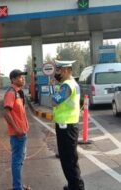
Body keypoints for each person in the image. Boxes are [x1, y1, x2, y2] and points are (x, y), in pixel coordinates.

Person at [52, 60, 85, 190]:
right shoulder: (73, 83)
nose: (57, 73)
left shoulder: (66, 85)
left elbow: (55, 101)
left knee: (68, 160)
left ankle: (77, 187)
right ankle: (73, 185)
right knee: (70, 158)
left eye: (59, 70)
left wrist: (54, 88)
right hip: (69, 125)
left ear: (65, 70)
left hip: (66, 127)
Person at [3, 69, 31, 190]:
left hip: (22, 132)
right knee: (17, 161)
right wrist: (17, 129)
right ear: (13, 80)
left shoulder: (19, 92)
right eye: (20, 77)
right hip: (18, 134)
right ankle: (17, 187)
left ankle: (18, 185)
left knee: (20, 161)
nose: (23, 79)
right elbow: (6, 113)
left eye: (23, 77)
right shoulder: (11, 93)